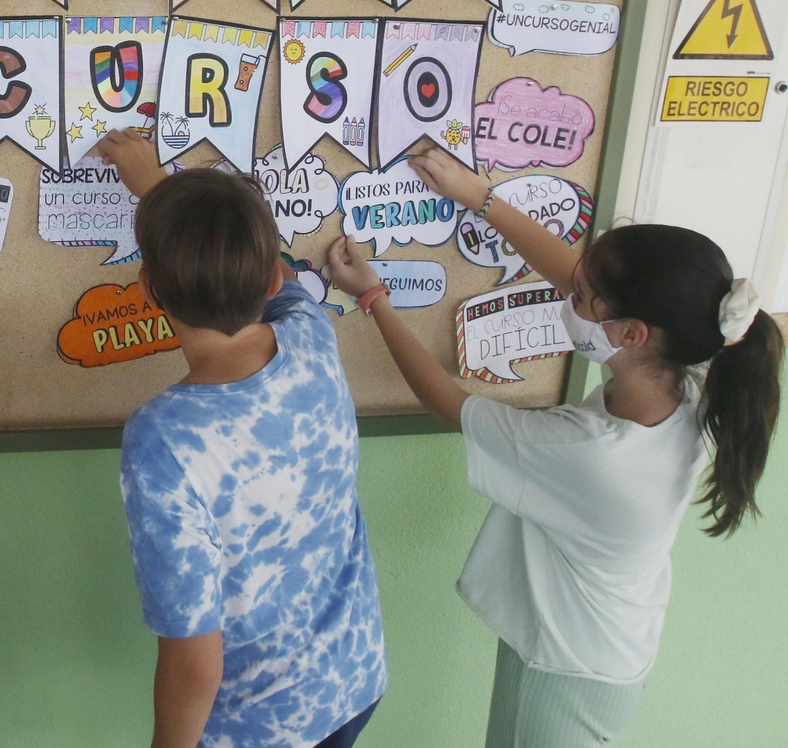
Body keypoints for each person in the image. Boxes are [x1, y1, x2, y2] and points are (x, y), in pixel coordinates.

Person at [324, 147, 783, 748]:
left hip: (565, 672)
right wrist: (480, 198)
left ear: (628, 333)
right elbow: (579, 277)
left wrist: (373, 297)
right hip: (611, 649)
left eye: (584, 300)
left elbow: (447, 400)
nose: (570, 298)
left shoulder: (589, 453)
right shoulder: (693, 380)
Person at [96, 129, 387, 748]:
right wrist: (156, 186)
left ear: (148, 290)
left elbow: (193, 661)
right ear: (274, 283)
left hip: (256, 731)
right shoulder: (311, 333)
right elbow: (274, 270)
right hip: (351, 681)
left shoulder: (165, 438)